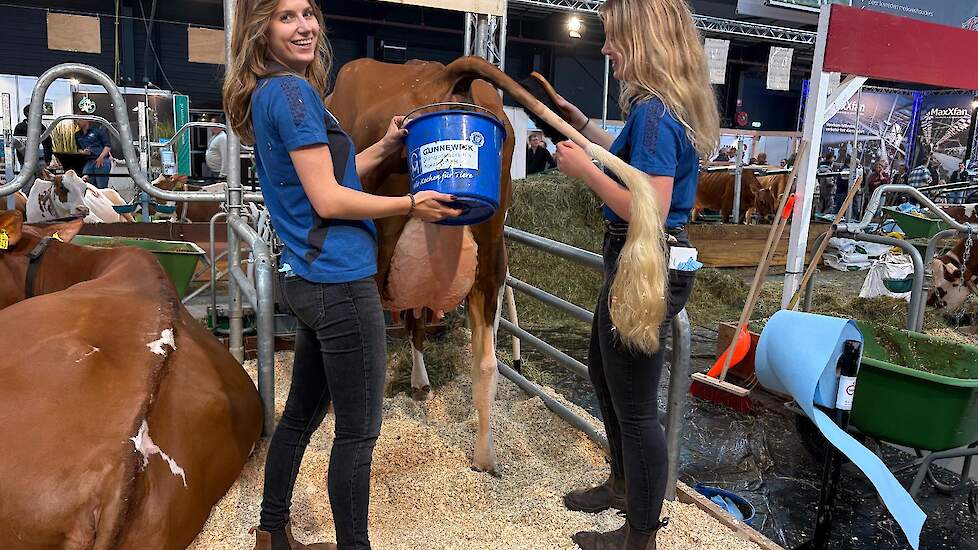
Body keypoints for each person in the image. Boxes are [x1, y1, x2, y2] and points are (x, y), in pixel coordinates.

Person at [223, 1, 461, 548]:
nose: (304, 26)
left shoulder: (272, 93)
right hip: (339, 282)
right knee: (358, 433)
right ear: (260, 32)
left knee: (300, 417)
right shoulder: (295, 94)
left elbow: (332, 176)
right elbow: (329, 199)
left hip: (310, 279)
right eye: (286, 17)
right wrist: (411, 202)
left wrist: (384, 149)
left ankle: (271, 531)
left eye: (308, 13)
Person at [550, 0, 719, 548]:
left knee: (637, 404)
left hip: (643, 258)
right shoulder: (662, 107)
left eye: (614, 37)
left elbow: (647, 203)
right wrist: (590, 134)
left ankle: (638, 534)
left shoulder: (652, 113)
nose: (605, 49)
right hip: (648, 258)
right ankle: (623, 487)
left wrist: (583, 172)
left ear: (643, 41)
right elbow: (640, 168)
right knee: (606, 374)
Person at [13, 105, 54, 178]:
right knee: (27, 183)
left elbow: (48, 143)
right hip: (27, 161)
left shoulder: (42, 127)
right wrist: (22, 161)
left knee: (43, 182)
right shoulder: (20, 127)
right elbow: (18, 145)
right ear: (28, 113)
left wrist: (48, 159)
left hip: (42, 160)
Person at [74, 118, 113, 189]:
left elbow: (107, 146)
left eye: (79, 120)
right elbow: (79, 149)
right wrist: (83, 152)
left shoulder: (98, 131)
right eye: (77, 120)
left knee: (101, 186)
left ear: (86, 119)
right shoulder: (77, 135)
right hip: (89, 161)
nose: (78, 122)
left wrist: (101, 157)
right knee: (86, 184)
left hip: (102, 160)